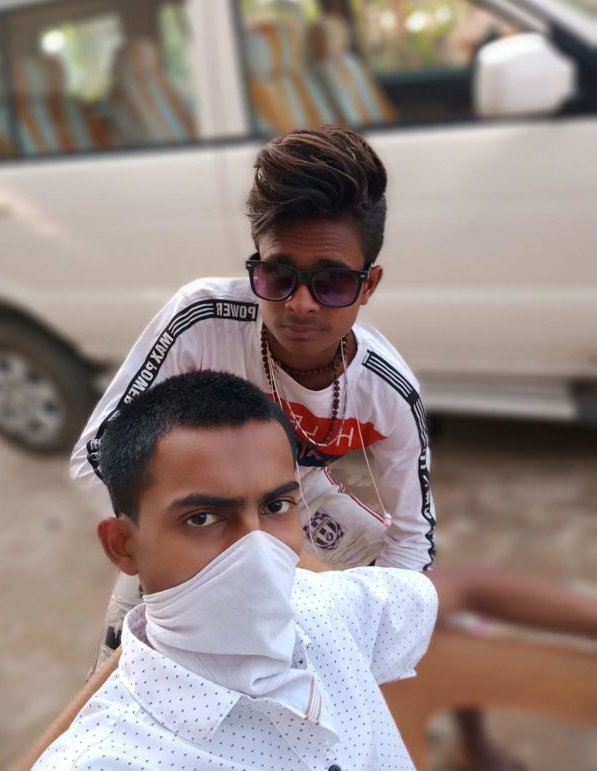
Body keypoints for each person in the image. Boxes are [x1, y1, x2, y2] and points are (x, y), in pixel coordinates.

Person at [72, 126, 436, 663]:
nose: (302, 304)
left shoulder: (388, 391)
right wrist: (209, 553)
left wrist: (362, 632)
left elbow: (413, 539)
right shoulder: (201, 321)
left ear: (370, 284)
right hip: (196, 508)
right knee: (129, 668)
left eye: (333, 282)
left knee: (403, 602)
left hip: (303, 500)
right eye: (278, 275)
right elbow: (94, 458)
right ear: (255, 266)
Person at [39, 371, 439, 770]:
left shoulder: (324, 605)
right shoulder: (109, 758)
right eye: (202, 518)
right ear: (123, 545)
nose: (257, 551)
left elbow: (426, 600)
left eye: (276, 506)